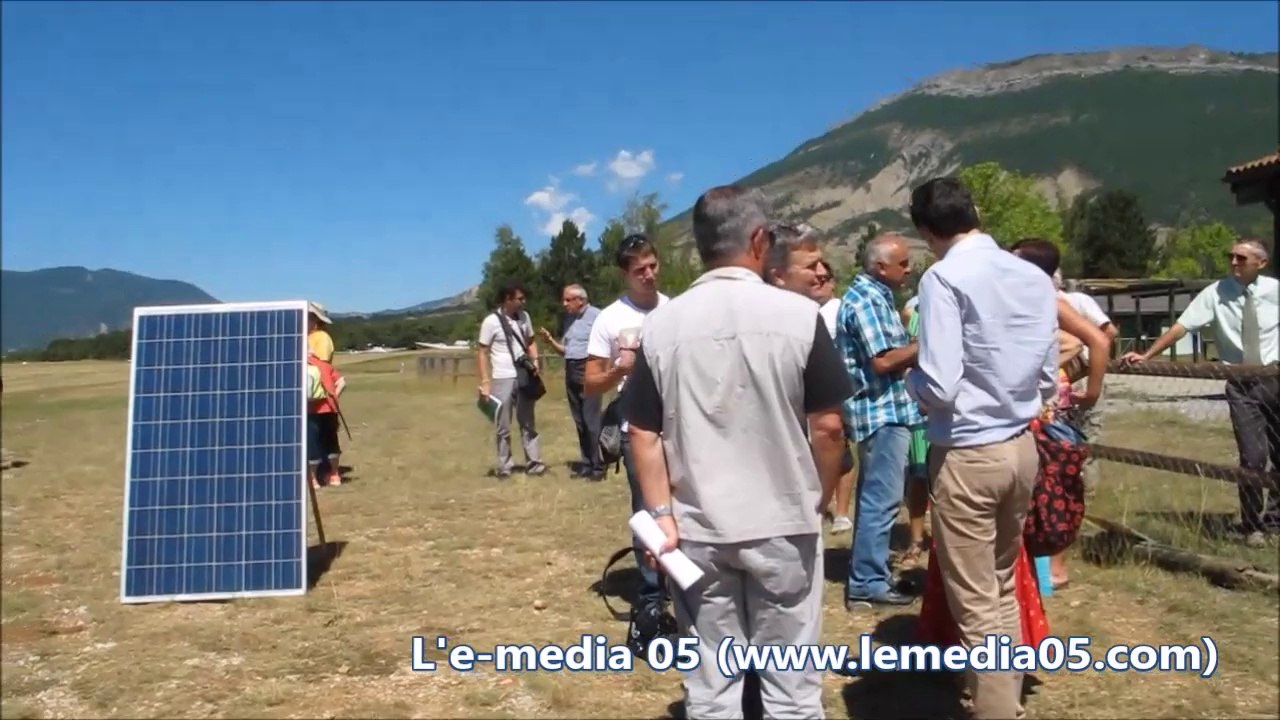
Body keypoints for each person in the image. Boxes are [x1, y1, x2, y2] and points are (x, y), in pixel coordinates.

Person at [623, 184, 851, 718]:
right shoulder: (799, 317)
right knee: (792, 689)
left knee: (711, 686)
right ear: (758, 239)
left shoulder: (661, 326)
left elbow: (641, 430)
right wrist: (816, 498)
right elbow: (829, 427)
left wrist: (660, 515)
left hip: (698, 528)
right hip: (783, 523)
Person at [904, 177, 1059, 720]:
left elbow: (940, 382)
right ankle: (994, 696)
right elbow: (1047, 375)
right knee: (997, 583)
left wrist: (911, 385)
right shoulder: (1031, 275)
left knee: (974, 601)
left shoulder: (943, 278)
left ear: (926, 230)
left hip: (968, 450)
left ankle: (995, 708)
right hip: (1020, 444)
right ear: (976, 210)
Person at [1121, 238, 1279, 547]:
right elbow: (1182, 327)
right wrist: (1148, 354)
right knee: (1252, 457)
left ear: (1261, 263)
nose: (1233, 262)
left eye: (1241, 258)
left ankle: (1275, 519)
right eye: (1230, 256)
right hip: (1242, 384)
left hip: (1276, 377)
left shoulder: (1275, 291)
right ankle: (1251, 524)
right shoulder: (1216, 293)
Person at [1010, 239, 1111, 590]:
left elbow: (1098, 340)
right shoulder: (1017, 300)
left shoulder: (1051, 301)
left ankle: (1053, 569)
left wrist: (1093, 391)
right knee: (1029, 490)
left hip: (1050, 411)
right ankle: (1030, 571)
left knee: (1053, 486)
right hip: (1025, 410)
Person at [584, 234, 670, 625]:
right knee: (648, 511)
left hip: (681, 426)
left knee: (687, 508)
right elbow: (590, 384)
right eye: (640, 271)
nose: (649, 275)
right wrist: (619, 369)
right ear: (625, 274)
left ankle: (687, 586)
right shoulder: (610, 318)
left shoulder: (674, 310)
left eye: (653, 266)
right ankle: (652, 593)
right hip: (636, 428)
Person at [835, 233, 923, 608]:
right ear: (879, 265)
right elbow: (883, 360)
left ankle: (872, 575)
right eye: (903, 263)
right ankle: (867, 581)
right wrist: (932, 341)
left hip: (885, 410)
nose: (909, 268)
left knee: (880, 497)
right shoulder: (868, 300)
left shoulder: (875, 297)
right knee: (881, 499)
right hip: (880, 411)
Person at [763, 225, 856, 534]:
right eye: (811, 266)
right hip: (790, 485)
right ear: (778, 274)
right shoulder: (804, 321)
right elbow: (829, 427)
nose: (821, 273)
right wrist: (820, 502)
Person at [1054, 269, 1118, 494]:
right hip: (1056, 384)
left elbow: (1108, 333)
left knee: (1087, 440)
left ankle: (1085, 498)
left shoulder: (1077, 301)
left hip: (1080, 380)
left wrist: (1090, 365)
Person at [476, 281, 547, 479]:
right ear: (508, 299)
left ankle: (534, 463)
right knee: (503, 425)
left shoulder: (525, 317)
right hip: (502, 376)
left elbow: (530, 341)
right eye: (519, 298)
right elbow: (482, 352)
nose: (523, 302)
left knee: (528, 422)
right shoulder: (491, 322)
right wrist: (485, 381)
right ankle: (505, 465)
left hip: (524, 375)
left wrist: (535, 362)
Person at [538, 284, 604, 480]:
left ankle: (598, 466)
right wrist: (550, 341)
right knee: (580, 420)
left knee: (591, 419)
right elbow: (566, 350)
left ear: (580, 300)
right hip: (571, 369)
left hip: (589, 368)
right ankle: (586, 464)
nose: (564, 304)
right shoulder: (569, 320)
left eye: (568, 300)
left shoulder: (598, 316)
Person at [900, 294, 930, 567]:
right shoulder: (913, 313)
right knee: (918, 476)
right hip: (919, 404)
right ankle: (916, 540)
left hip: (954, 408)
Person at [306, 352, 345, 490]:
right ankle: (335, 475)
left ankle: (313, 479)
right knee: (331, 442)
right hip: (330, 409)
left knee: (313, 444)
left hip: (311, 411)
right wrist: (334, 397)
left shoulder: (302, 366)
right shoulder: (325, 365)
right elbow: (342, 382)